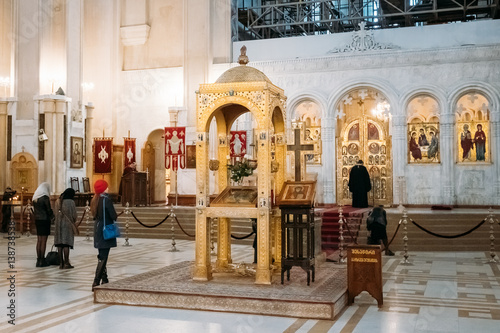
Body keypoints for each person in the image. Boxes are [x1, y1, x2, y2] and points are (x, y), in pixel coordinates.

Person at [91, 179, 117, 291]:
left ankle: (105, 279)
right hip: (105, 229)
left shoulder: (94, 199)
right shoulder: (106, 200)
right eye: (106, 186)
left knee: (101, 253)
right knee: (103, 256)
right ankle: (96, 281)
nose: (108, 188)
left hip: (97, 228)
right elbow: (113, 215)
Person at [54, 188, 78, 269]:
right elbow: (74, 215)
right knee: (66, 244)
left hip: (58, 225)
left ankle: (61, 263)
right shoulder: (71, 202)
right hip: (67, 225)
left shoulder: (57, 201)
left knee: (60, 244)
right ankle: (67, 263)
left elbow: (55, 213)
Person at [33, 182, 54, 267]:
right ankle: (42, 260)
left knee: (39, 240)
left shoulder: (35, 198)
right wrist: (52, 216)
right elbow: (48, 209)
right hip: (45, 220)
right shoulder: (45, 197)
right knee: (44, 241)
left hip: (37, 220)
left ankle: (38, 260)